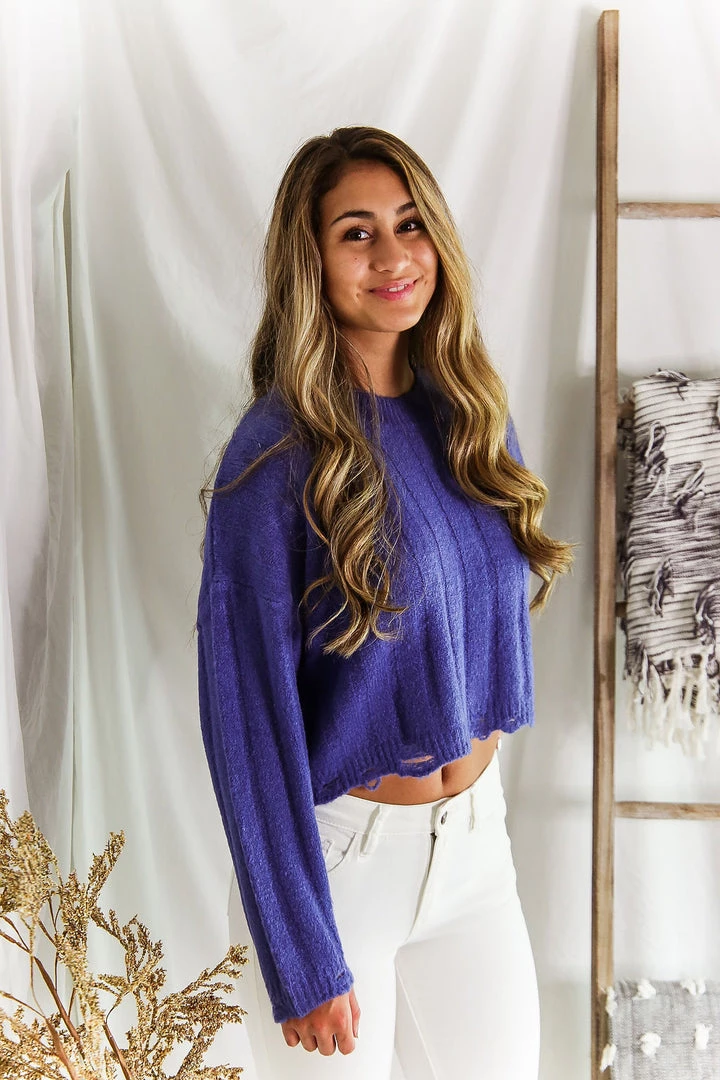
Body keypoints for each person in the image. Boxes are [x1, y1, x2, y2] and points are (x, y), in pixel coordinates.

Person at [196, 125, 574, 1080]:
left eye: (410, 224)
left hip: (476, 850)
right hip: (341, 867)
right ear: (311, 262)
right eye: (356, 233)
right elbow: (245, 716)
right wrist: (298, 949)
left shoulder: (471, 414)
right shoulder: (276, 455)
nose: (395, 256)